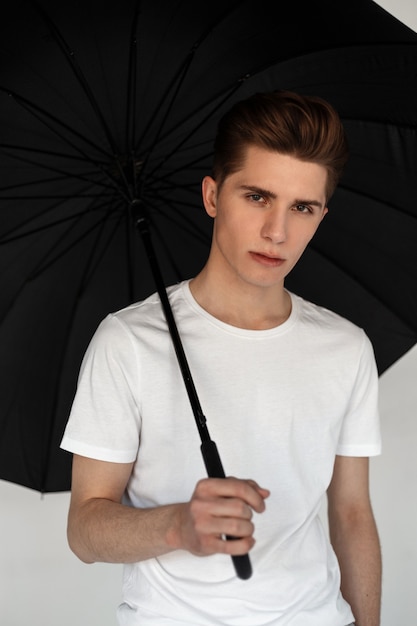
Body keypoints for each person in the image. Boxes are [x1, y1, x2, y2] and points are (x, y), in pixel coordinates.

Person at [61, 90, 382, 626]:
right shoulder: (129, 341)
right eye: (257, 196)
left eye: (301, 207)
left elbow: (351, 512)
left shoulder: (346, 348)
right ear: (213, 195)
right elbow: (83, 531)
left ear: (322, 214)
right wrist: (180, 525)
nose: (277, 232)